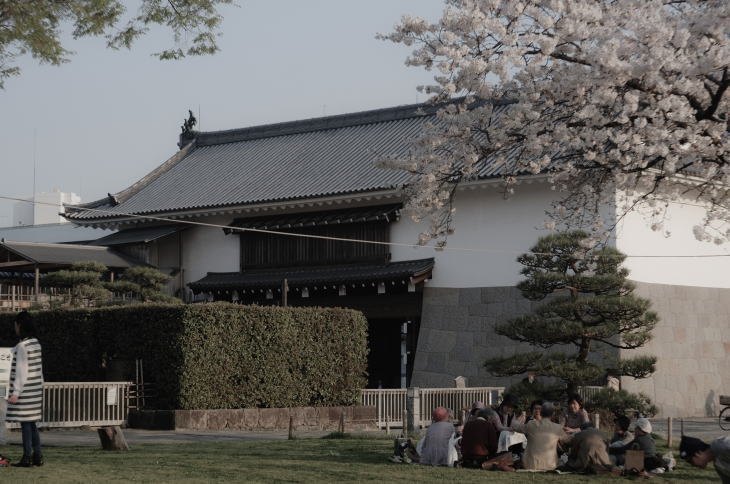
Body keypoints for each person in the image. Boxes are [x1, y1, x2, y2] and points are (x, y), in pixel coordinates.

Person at [6, 311, 44, 467]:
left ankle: (27, 457)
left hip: (25, 392)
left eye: (15, 324)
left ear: (20, 325)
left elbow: (22, 370)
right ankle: (38, 456)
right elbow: (38, 369)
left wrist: (16, 393)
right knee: (31, 423)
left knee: (25, 424)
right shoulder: (35, 343)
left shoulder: (22, 346)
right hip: (35, 390)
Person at [511, 402, 572, 471]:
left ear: (541, 413)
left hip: (530, 465)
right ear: (553, 414)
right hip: (551, 465)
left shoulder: (531, 424)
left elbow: (515, 426)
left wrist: (517, 418)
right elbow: (569, 440)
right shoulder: (557, 427)